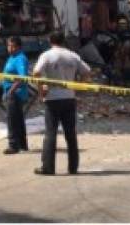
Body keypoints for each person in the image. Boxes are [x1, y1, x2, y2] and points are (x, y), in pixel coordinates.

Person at [32, 32, 91, 175]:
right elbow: (87, 71)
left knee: (50, 133)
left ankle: (48, 167)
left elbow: (36, 73)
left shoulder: (47, 55)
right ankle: (73, 167)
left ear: (50, 40)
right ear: (63, 41)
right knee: (70, 133)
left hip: (52, 99)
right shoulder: (72, 55)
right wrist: (78, 87)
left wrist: (41, 90)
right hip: (69, 98)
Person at [2, 36, 30, 154]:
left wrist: (11, 91)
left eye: (12, 46)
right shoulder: (11, 58)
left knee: (12, 120)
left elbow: (22, 77)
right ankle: (22, 144)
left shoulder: (20, 58)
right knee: (18, 119)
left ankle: (13, 145)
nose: (10, 48)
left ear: (18, 47)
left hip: (16, 94)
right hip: (11, 92)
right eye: (8, 46)